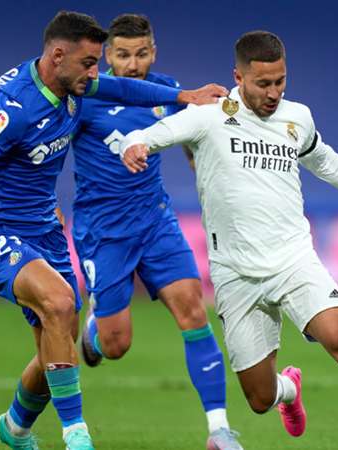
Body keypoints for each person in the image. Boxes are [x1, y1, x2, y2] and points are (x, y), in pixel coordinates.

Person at [0, 10, 226, 450]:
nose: (95, 73)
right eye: (89, 63)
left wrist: (186, 94)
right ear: (58, 55)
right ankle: (77, 437)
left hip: (46, 230)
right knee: (60, 304)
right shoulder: (16, 110)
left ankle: (15, 428)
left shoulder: (74, 84)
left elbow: (121, 87)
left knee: (56, 344)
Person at [120, 31, 338, 441]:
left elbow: (327, 162)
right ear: (238, 78)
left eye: (280, 81)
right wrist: (134, 146)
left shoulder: (297, 117)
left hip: (293, 260)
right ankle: (290, 389)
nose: (274, 92)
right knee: (259, 397)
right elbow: (150, 134)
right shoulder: (208, 117)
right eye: (263, 83)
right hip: (236, 274)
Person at [71, 14, 242, 450]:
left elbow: (191, 136)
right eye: (123, 55)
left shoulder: (167, 91)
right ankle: (95, 329)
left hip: (155, 222)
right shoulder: (85, 96)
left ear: (154, 51)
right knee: (116, 345)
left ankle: (219, 430)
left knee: (193, 311)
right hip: (104, 231)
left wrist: (201, 169)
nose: (132, 64)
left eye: (141, 53)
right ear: (107, 56)